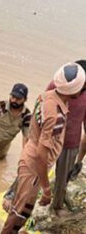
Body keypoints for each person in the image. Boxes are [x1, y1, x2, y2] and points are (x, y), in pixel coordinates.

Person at [1, 62, 86, 233]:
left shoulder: (46, 96)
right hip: (34, 164)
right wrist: (46, 189)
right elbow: (41, 153)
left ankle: (15, 230)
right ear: (76, 90)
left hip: (30, 156)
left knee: (25, 207)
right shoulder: (56, 116)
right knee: (19, 209)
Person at [48, 59, 86, 215]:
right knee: (35, 169)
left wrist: (79, 160)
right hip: (50, 138)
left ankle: (57, 205)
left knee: (62, 179)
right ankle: (13, 193)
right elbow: (43, 107)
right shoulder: (57, 84)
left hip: (71, 142)